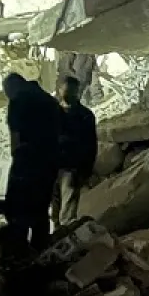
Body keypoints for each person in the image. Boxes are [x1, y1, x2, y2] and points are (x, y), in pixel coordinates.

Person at [2, 73, 61, 252]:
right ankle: (40, 249)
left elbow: (16, 137)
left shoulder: (18, 100)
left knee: (18, 207)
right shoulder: (50, 102)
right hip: (49, 163)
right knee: (41, 208)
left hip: (27, 161)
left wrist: (17, 159)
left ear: (12, 88)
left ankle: (17, 250)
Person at [53, 76, 98, 226]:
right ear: (59, 90)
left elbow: (91, 145)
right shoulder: (51, 113)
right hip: (51, 167)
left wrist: (86, 171)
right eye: (66, 91)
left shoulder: (85, 116)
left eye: (72, 92)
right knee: (52, 213)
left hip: (71, 169)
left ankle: (63, 239)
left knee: (67, 215)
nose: (69, 94)